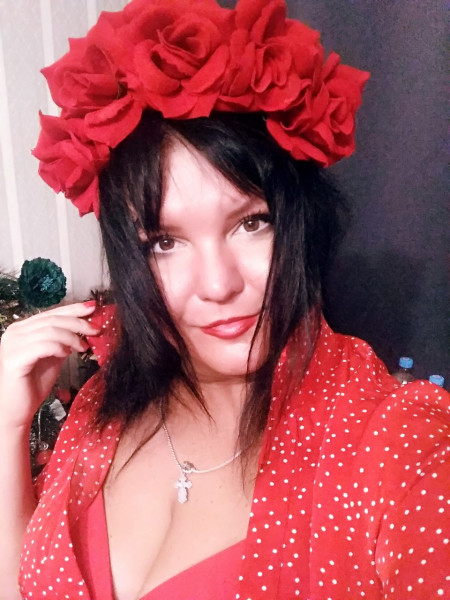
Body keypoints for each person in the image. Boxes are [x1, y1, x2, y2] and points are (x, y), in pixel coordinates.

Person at [0, 0, 448, 598]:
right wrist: (9, 424)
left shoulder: (393, 442)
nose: (217, 285)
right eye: (164, 242)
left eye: (251, 223)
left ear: (300, 221)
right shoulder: (100, 406)